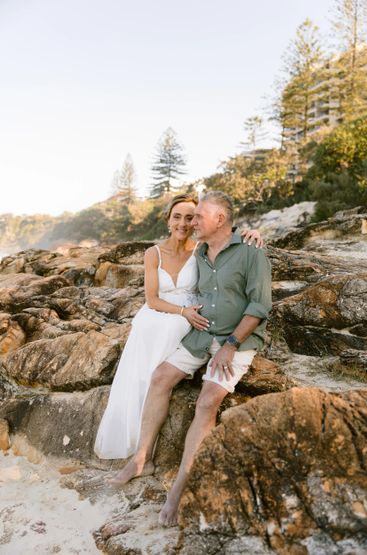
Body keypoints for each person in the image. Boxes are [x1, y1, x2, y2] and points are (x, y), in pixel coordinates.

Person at [111, 191, 272, 527]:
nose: (192, 222)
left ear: (220, 220)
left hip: (236, 342)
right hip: (200, 334)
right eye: (189, 216)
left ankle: (179, 488)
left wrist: (231, 344)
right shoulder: (198, 252)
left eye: (199, 216)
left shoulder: (251, 250)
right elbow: (161, 287)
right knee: (159, 378)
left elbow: (259, 307)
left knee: (206, 402)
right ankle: (143, 458)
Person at [94, 193, 262, 462]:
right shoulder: (154, 253)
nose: (185, 223)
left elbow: (228, 241)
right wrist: (181, 311)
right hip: (164, 309)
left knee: (174, 330)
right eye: (178, 217)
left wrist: (251, 233)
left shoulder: (201, 249)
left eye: (191, 217)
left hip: (194, 314)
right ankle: (137, 433)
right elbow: (151, 299)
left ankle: (155, 422)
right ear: (167, 220)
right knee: (147, 328)